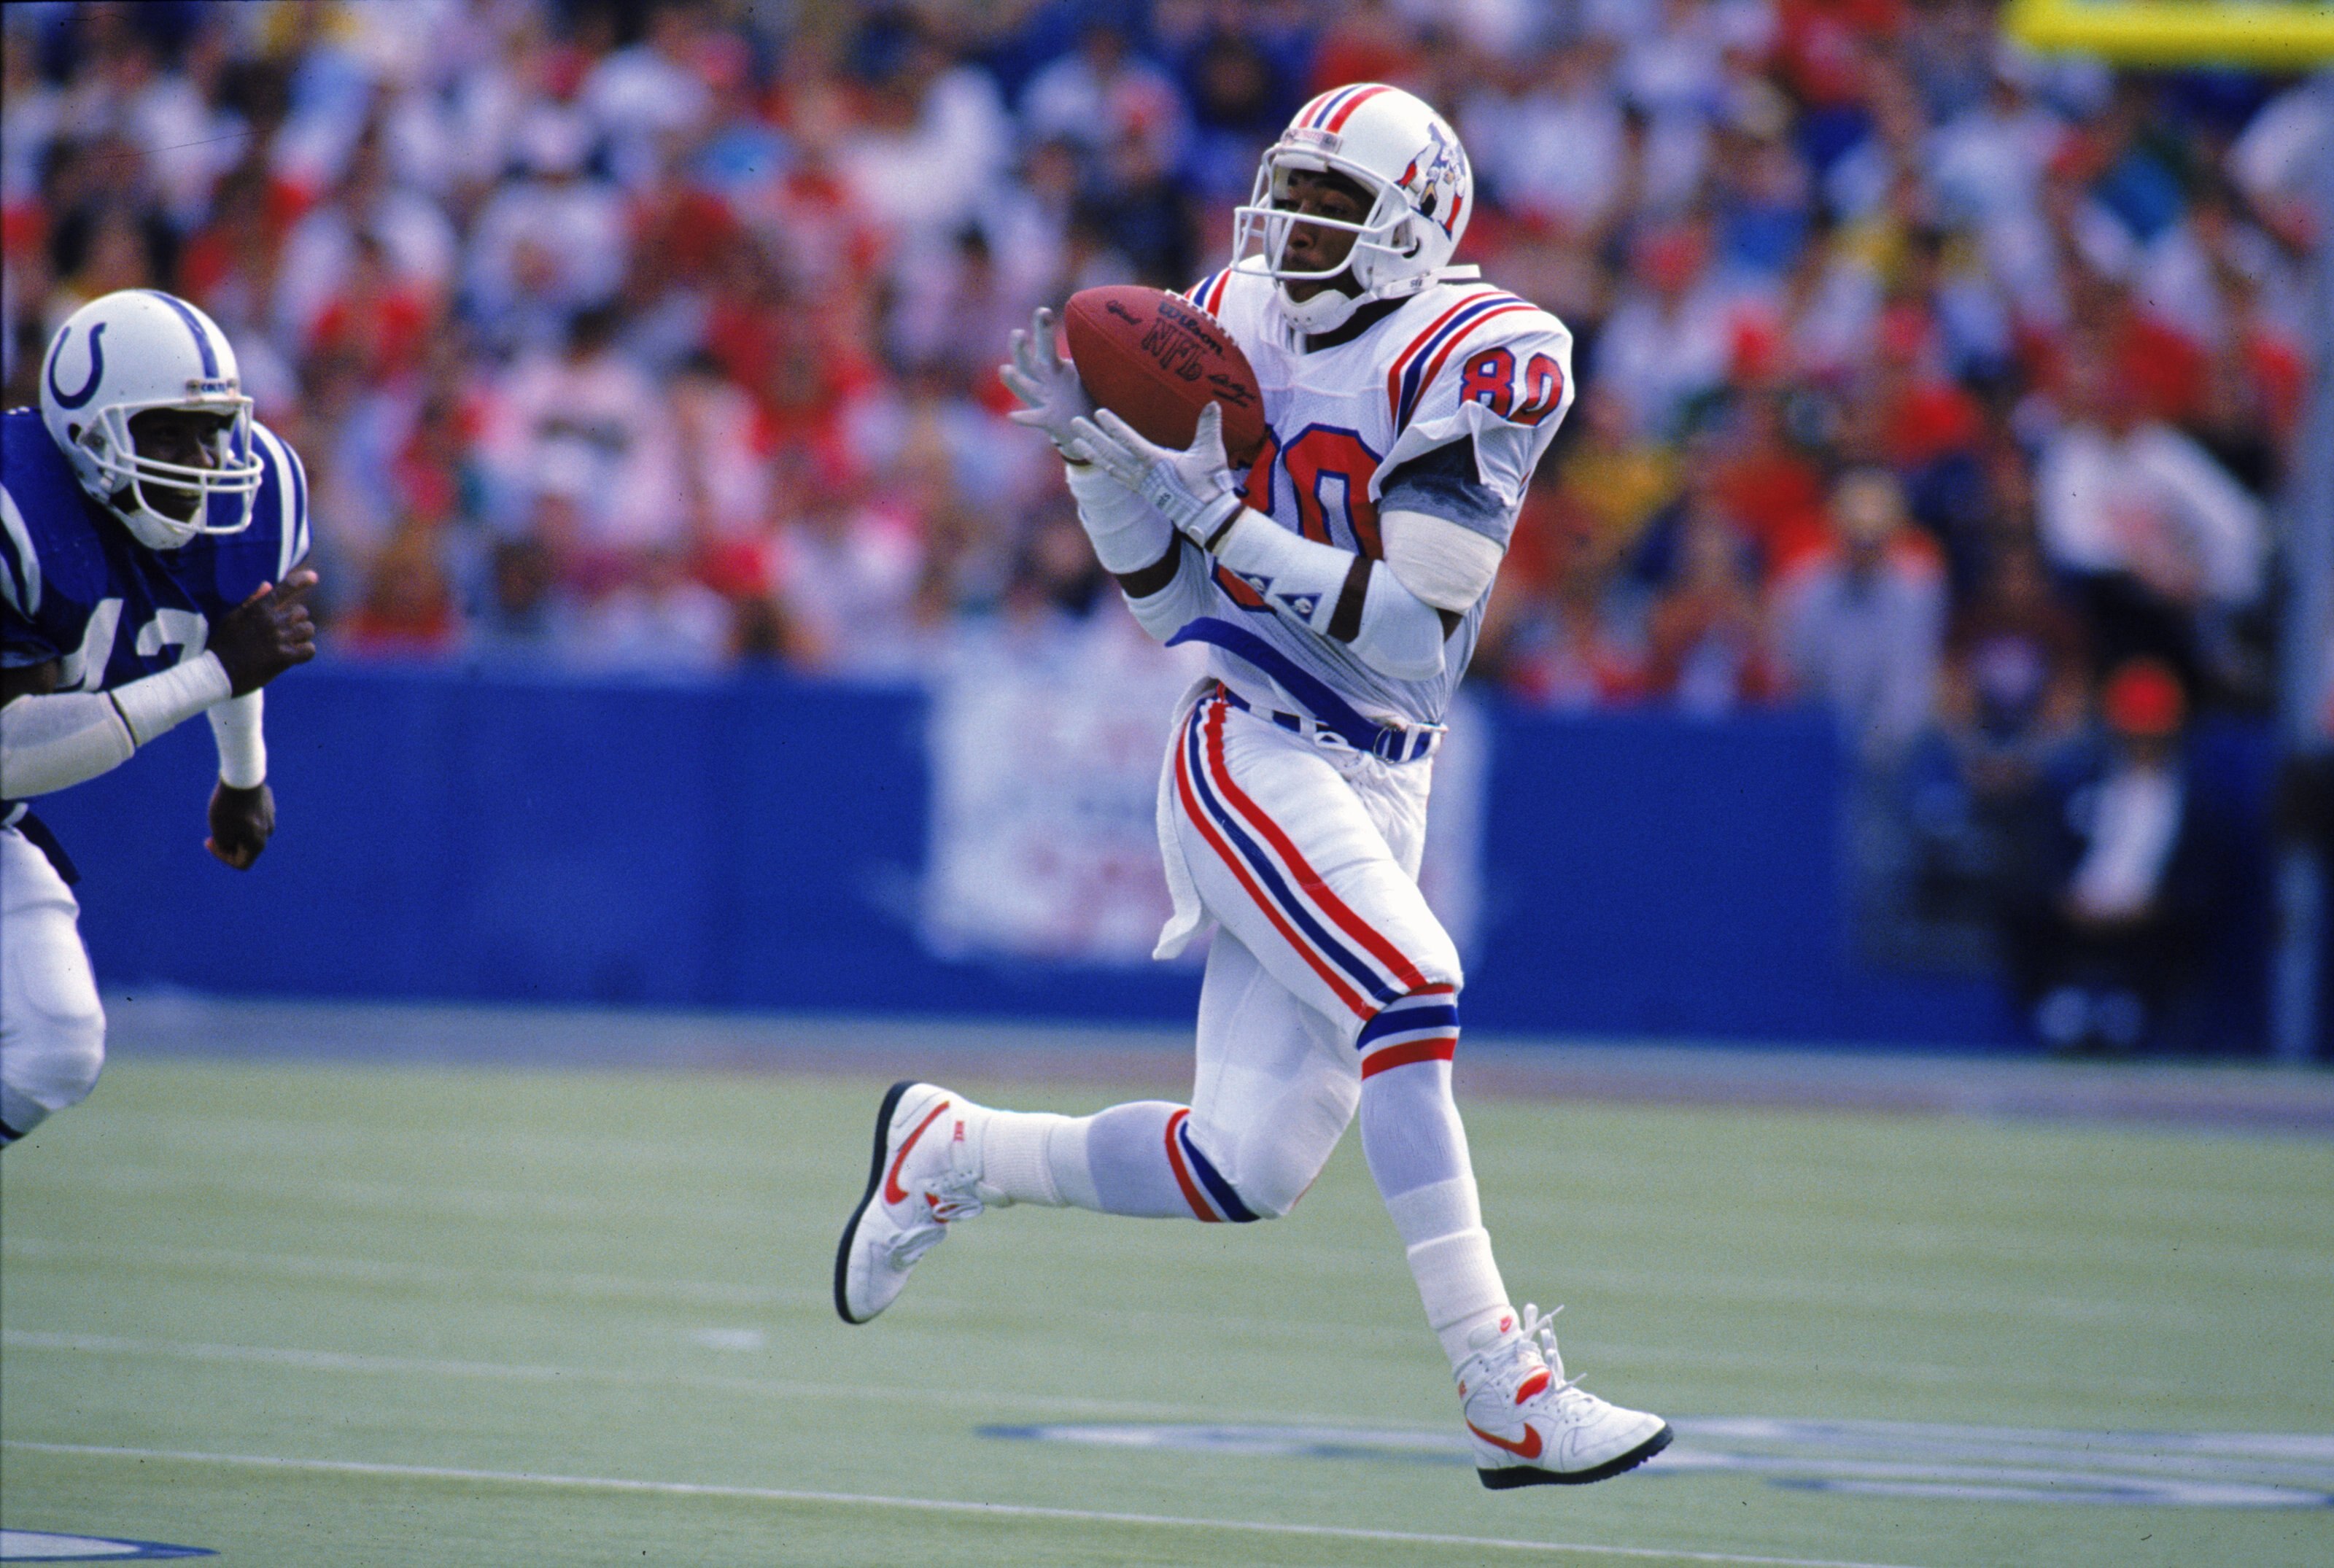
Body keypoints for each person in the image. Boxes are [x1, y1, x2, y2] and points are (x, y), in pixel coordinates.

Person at [837, 85, 1672, 1490]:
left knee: (1242, 1165)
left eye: (1332, 203)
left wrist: (1217, 514)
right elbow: (1174, 610)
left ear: (1417, 226)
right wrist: (1101, 475)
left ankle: (958, 1148)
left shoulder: (1489, 350)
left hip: (1385, 754)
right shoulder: (1229, 313)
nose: (1290, 226)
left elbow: (1410, 621)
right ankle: (1504, 1390)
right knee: (1412, 990)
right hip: (1253, 739)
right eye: (1287, 191)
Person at [1, 290, 317, 1145]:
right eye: (167, 434)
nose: (200, 461)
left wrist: (243, 774)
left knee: (53, 1047)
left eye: (209, 431)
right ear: (85, 434)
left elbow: (229, 617)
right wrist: (214, 675)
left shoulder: (251, 503)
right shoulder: (16, 506)